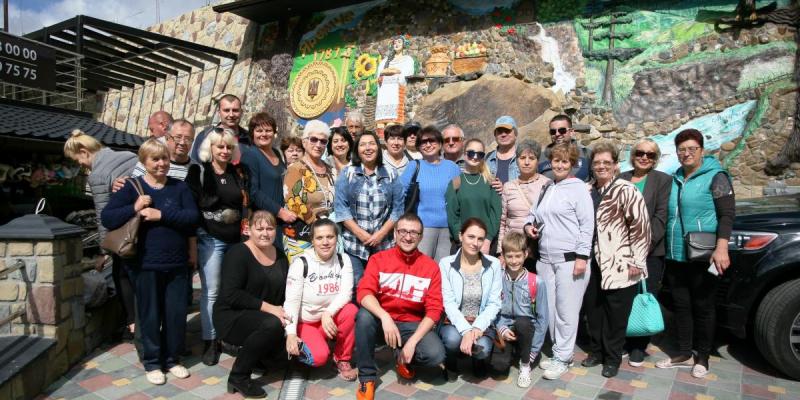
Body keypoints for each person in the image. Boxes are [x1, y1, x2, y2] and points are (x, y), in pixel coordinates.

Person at [101, 139, 198, 385]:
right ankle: (152, 362)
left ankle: (172, 359)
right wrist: (134, 207)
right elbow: (108, 218)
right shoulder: (131, 187)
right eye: (155, 159)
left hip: (176, 263)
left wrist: (161, 214)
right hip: (144, 263)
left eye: (164, 158)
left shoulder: (179, 187)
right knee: (149, 315)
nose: (161, 163)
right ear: (144, 162)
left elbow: (192, 218)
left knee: (175, 314)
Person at [656, 129, 734, 379]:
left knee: (703, 306)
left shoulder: (716, 176)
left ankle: (703, 357)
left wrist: (722, 247)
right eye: (682, 149)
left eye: (692, 149)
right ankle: (684, 353)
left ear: (701, 150)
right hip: (676, 254)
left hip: (703, 254)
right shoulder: (675, 178)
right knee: (681, 306)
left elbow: (727, 215)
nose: (686, 153)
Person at [355, 213, 445, 400]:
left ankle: (402, 356)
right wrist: (384, 317)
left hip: (410, 324)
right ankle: (367, 378)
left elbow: (435, 309)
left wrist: (412, 342)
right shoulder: (378, 259)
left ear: (421, 237)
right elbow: (364, 293)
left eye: (414, 233)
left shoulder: (431, 267)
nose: (408, 237)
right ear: (395, 233)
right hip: (381, 322)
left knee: (435, 355)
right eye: (403, 231)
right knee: (363, 316)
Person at [524, 143, 594, 380]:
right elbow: (533, 214)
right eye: (556, 160)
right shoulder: (547, 187)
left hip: (570, 260)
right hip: (546, 260)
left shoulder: (578, 189)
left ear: (572, 164)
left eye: (565, 161)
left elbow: (587, 225)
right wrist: (528, 226)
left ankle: (563, 357)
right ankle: (559, 352)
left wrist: (582, 257)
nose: (560, 165)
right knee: (551, 310)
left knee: (567, 311)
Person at [581, 142, 651, 378]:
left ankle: (612, 358)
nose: (601, 166)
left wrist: (637, 261)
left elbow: (641, 227)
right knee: (594, 310)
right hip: (591, 261)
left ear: (615, 165)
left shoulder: (626, 190)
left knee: (616, 314)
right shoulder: (587, 190)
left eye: (606, 162)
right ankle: (596, 351)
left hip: (620, 262)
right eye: (597, 162)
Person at [64, 130, 138, 340]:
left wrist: (104, 252)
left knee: (122, 276)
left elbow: (103, 216)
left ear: (84, 152)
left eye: (78, 160)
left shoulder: (97, 175)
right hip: (147, 226)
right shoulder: (128, 155)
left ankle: (132, 324)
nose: (81, 165)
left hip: (126, 234)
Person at [186, 128, 249, 366]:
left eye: (229, 147)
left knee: (230, 290)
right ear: (210, 148)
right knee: (211, 291)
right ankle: (211, 340)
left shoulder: (237, 172)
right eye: (220, 146)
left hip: (235, 240)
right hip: (210, 238)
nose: (224, 151)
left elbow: (245, 204)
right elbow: (191, 208)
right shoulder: (199, 171)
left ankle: (228, 335)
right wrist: (192, 243)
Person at [215, 211, 289, 398]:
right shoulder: (238, 253)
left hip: (263, 315)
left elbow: (286, 292)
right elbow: (231, 295)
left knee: (284, 359)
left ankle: (259, 355)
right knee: (272, 324)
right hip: (232, 316)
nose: (265, 233)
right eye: (260, 229)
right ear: (249, 230)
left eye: (270, 228)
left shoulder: (280, 255)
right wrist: (271, 309)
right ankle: (238, 376)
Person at [619, 138, 672, 366]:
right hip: (621, 250)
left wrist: (640, 250)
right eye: (640, 152)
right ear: (633, 155)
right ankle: (624, 339)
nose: (644, 157)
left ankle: (639, 346)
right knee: (623, 297)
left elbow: (660, 218)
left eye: (650, 155)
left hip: (649, 252)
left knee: (645, 295)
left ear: (655, 159)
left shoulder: (662, 181)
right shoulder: (621, 178)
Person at [284, 219, 358, 380]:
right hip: (306, 323)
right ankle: (301, 349)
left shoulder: (343, 259)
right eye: (319, 238)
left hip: (328, 319)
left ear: (337, 238)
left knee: (351, 310)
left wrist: (328, 313)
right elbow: (291, 303)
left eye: (330, 237)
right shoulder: (301, 263)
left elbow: (346, 293)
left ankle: (342, 358)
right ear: (312, 240)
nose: (325, 242)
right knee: (319, 357)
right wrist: (290, 334)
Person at [335, 131, 404, 293]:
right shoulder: (348, 173)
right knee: (357, 288)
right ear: (357, 150)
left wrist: (381, 234)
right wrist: (361, 234)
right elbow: (341, 208)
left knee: (382, 288)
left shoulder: (391, 174)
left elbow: (398, 209)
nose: (368, 148)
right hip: (354, 245)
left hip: (384, 245)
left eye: (372, 143)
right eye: (363, 144)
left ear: (378, 147)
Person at [438, 218, 502, 378]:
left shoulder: (494, 264)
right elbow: (448, 303)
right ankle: (451, 360)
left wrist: (477, 327)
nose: (475, 243)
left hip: (481, 322)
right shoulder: (446, 264)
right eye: (471, 237)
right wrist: (466, 330)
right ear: (461, 236)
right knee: (452, 339)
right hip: (454, 321)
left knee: (483, 349)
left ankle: (477, 360)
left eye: (480, 239)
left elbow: (494, 303)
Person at [495, 231, 548, 388]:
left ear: (525, 254)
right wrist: (501, 328)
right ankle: (513, 351)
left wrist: (534, 350)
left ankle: (525, 365)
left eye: (518, 256)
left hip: (526, 328)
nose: (514, 261)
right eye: (509, 256)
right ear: (503, 256)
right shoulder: (497, 279)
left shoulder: (536, 282)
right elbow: (490, 310)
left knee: (523, 322)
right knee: (499, 367)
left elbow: (542, 319)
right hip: (505, 327)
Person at [400, 126, 461, 261]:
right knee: (421, 266)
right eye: (423, 142)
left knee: (442, 269)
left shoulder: (452, 167)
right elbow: (400, 194)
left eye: (432, 141)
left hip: (448, 228)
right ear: (418, 146)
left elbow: (460, 196)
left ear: (440, 144)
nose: (428, 145)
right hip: (422, 227)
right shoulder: (414, 166)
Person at [240, 113, 296, 252]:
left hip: (282, 221)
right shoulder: (250, 155)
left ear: (274, 132)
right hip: (264, 222)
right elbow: (253, 192)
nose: (264, 134)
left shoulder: (276, 153)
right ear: (252, 133)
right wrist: (280, 211)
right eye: (259, 130)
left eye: (268, 130)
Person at [283, 120, 336, 261]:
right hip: (302, 236)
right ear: (304, 142)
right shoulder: (295, 168)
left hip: (327, 235)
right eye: (314, 139)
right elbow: (292, 202)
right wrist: (317, 224)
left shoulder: (330, 169)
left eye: (323, 141)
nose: (318, 144)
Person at [499, 140, 551, 264]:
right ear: (517, 160)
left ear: (537, 161)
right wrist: (501, 251)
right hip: (513, 249)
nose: (526, 162)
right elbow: (503, 221)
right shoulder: (508, 186)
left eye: (531, 158)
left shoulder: (547, 184)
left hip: (538, 248)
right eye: (522, 158)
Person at [445, 139, 501, 255]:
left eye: (479, 154)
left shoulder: (491, 182)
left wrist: (487, 239)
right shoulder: (456, 183)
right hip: (462, 244)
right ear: (464, 154)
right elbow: (452, 216)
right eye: (471, 153)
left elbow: (496, 214)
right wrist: (461, 239)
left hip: (485, 244)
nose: (475, 157)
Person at [191, 94, 250, 162]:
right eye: (226, 110)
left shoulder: (249, 139)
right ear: (219, 112)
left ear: (241, 112)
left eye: (235, 110)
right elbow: (195, 164)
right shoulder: (204, 136)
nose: (231, 115)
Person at [375, 35, 415, 126]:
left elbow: (405, 75)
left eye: (399, 42)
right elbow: (379, 76)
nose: (396, 44)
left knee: (392, 123)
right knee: (380, 123)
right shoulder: (385, 61)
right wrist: (383, 78)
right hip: (384, 93)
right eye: (395, 42)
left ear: (404, 44)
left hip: (396, 91)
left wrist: (393, 76)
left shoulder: (407, 59)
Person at [539, 114, 591, 182]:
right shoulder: (540, 158)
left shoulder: (587, 154)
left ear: (571, 132)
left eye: (562, 130)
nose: (557, 134)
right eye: (553, 131)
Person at [486, 116, 520, 191]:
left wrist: (505, 190)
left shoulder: (525, 158)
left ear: (515, 134)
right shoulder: (487, 159)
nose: (503, 134)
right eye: (499, 131)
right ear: (495, 135)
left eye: (507, 131)